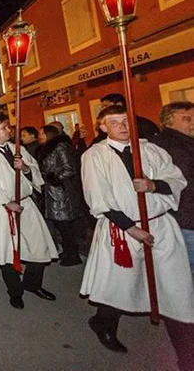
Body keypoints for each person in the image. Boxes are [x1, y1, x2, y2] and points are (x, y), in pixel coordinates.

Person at [81, 105, 194, 363]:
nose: (122, 126)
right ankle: (103, 323)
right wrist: (132, 229)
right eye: (115, 122)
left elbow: (177, 180)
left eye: (126, 121)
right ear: (102, 127)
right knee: (120, 285)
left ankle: (184, 340)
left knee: (173, 282)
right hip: (122, 229)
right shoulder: (95, 156)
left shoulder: (151, 150)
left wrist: (154, 185)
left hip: (160, 225)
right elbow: (98, 197)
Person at [0, 115, 58, 309]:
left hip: (26, 204)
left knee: (39, 247)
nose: (9, 131)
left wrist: (25, 168)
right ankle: (15, 292)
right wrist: (6, 202)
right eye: (4, 128)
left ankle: (32, 283)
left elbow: (34, 170)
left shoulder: (18, 149)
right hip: (2, 209)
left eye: (8, 127)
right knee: (8, 252)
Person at [153, 101, 194, 275]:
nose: (193, 122)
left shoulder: (181, 142)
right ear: (169, 122)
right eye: (187, 119)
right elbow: (186, 184)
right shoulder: (174, 147)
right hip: (186, 217)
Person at [37, 125, 85, 266]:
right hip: (52, 192)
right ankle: (68, 250)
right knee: (61, 225)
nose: (40, 136)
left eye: (42, 133)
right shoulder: (47, 148)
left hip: (62, 192)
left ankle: (73, 254)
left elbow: (69, 168)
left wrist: (54, 179)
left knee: (65, 226)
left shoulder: (60, 147)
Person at [92, 93, 160, 144]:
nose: (103, 110)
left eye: (105, 106)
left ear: (119, 105)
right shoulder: (106, 128)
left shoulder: (143, 124)